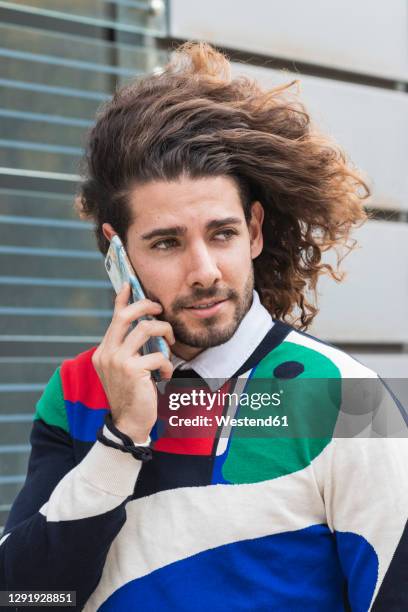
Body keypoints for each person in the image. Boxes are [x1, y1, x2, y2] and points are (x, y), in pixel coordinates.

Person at [0, 42, 407, 612]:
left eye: (222, 233)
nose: (205, 271)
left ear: (255, 231)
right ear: (116, 256)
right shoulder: (73, 394)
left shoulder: (346, 403)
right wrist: (121, 440)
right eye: (166, 242)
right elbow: (26, 597)